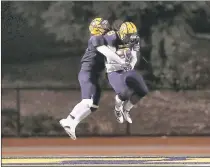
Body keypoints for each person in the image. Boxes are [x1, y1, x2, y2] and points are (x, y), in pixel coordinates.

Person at [59, 18, 127, 140]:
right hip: (87, 73)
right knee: (87, 102)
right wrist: (121, 61)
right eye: (104, 26)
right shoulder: (95, 38)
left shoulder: (104, 40)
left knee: (93, 106)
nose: (107, 28)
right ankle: (68, 120)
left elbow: (114, 51)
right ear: (97, 28)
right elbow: (107, 52)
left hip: (94, 76)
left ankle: (72, 124)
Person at [104, 21, 149, 124]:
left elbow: (134, 57)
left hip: (126, 70)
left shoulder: (134, 39)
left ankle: (126, 110)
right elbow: (111, 57)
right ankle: (117, 109)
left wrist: (131, 65)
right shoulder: (112, 39)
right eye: (129, 35)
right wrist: (123, 62)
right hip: (114, 70)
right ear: (123, 34)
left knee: (143, 90)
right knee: (124, 93)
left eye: (133, 35)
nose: (131, 37)